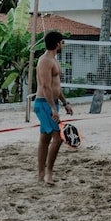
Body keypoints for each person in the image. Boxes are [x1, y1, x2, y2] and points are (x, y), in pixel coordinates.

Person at [35, 31, 73, 185]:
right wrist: (53, 109)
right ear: (57, 43)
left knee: (45, 138)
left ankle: (41, 173)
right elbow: (45, 86)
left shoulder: (53, 60)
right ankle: (48, 173)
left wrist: (64, 103)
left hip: (51, 103)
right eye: (62, 42)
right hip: (44, 104)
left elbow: (56, 86)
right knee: (58, 138)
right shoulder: (45, 61)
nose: (62, 45)